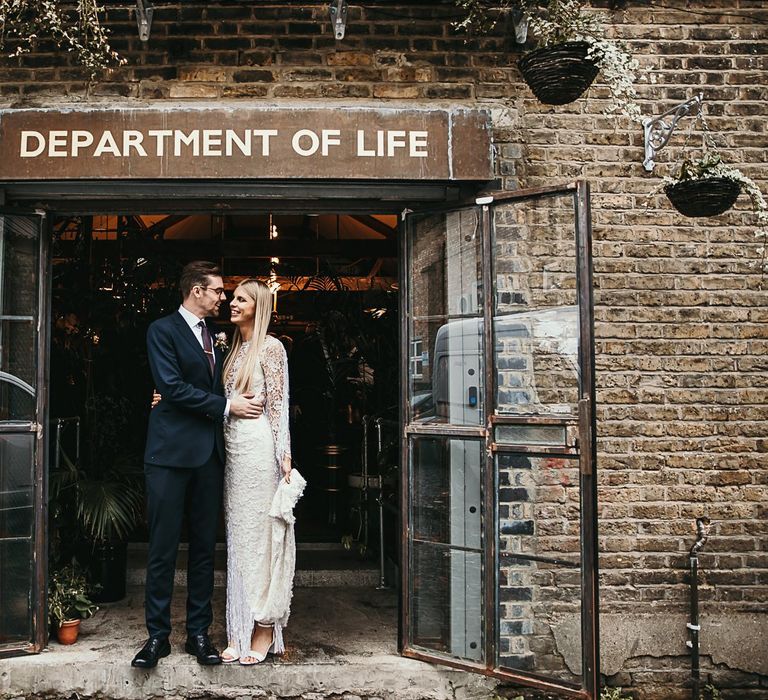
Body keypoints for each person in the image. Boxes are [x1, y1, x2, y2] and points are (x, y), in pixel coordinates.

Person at [132, 261, 264, 670]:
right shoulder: (162, 330)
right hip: (170, 455)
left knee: (205, 548)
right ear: (195, 291)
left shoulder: (218, 337)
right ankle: (156, 637)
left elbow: (213, 384)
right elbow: (170, 387)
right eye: (218, 290)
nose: (223, 297)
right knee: (163, 548)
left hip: (209, 455)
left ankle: (198, 634)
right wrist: (228, 405)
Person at [219, 278, 296, 665]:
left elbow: (278, 406)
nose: (231, 303)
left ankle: (264, 628)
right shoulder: (233, 350)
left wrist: (284, 455)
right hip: (234, 452)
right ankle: (238, 626)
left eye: (240, 299)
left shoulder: (272, 347)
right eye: (232, 298)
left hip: (260, 450)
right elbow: (220, 400)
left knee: (262, 537)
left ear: (258, 307)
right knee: (238, 538)